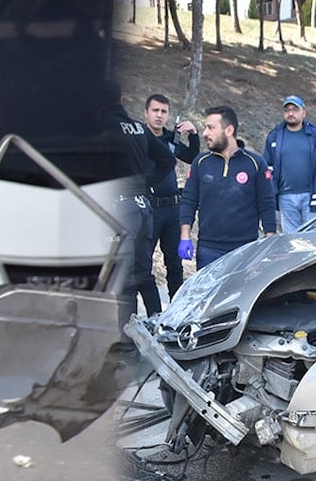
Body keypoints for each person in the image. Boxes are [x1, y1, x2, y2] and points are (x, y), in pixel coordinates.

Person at [95, 80, 174, 320]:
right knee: (143, 274)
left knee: (125, 280)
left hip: (120, 208)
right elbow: (168, 161)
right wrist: (146, 182)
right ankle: (155, 325)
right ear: (120, 98)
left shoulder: (101, 127)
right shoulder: (139, 128)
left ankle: (126, 342)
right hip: (143, 207)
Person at [177, 106, 276, 271]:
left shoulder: (255, 163)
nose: (205, 133)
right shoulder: (201, 162)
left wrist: (270, 239)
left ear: (229, 130)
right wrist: (185, 236)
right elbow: (189, 201)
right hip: (208, 248)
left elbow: (266, 203)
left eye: (210, 128)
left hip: (245, 249)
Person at [142, 93, 198, 301]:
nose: (159, 115)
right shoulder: (139, 138)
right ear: (146, 112)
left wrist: (193, 134)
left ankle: (176, 311)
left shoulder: (169, 140)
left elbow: (192, 157)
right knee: (143, 263)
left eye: (163, 111)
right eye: (155, 110)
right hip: (149, 208)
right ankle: (152, 311)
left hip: (173, 209)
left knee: (175, 264)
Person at [263, 95, 316, 233]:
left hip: (314, 195)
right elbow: (267, 166)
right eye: (287, 110)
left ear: (303, 112)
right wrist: (271, 186)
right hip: (285, 197)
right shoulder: (274, 136)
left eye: (294, 109)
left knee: (315, 237)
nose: (290, 113)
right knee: (292, 240)